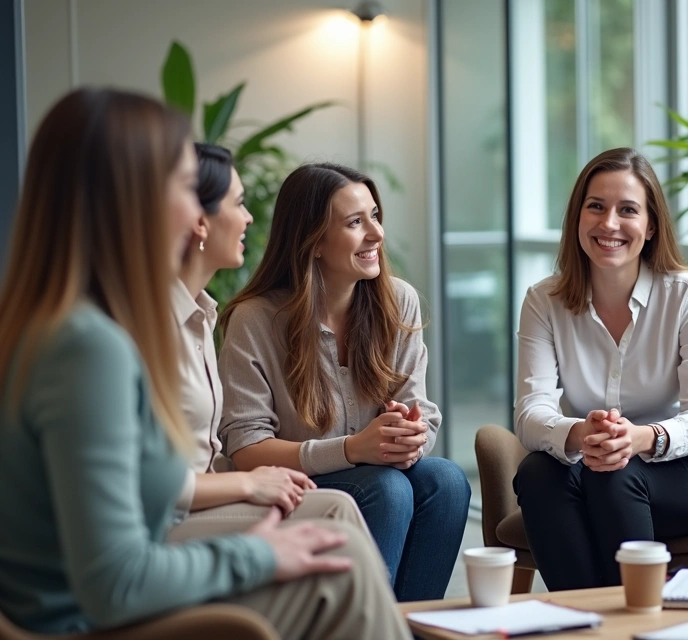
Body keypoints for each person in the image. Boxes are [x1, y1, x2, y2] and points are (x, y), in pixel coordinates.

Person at [0, 88, 409, 639]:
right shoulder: (88, 349)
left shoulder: (72, 326)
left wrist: (247, 503)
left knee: (345, 535)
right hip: (85, 622)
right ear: (133, 202)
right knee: (341, 561)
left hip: (101, 597)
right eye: (183, 185)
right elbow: (116, 582)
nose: (200, 210)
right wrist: (257, 553)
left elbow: (144, 484)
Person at [218, 162, 470, 602]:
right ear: (313, 241)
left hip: (381, 480)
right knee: (387, 489)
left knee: (446, 480)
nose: (377, 234)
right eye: (355, 222)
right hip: (297, 487)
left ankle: (406, 628)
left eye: (375, 216)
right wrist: (353, 449)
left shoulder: (399, 302)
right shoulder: (255, 319)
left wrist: (409, 436)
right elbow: (246, 449)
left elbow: (420, 410)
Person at [512, 147, 688, 591]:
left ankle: (635, 614)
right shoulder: (544, 301)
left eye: (628, 210)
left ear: (651, 225)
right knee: (538, 474)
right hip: (595, 465)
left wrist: (640, 438)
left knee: (613, 475)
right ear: (577, 218)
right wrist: (582, 433)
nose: (609, 223)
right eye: (596, 207)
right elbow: (530, 412)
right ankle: (583, 616)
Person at [169, 143, 371, 542]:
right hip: (171, 518)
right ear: (200, 222)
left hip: (207, 497)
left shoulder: (201, 315)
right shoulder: (156, 327)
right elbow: (148, 479)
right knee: (350, 502)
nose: (248, 217)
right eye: (238, 203)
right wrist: (248, 483)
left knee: (442, 480)